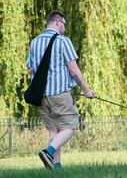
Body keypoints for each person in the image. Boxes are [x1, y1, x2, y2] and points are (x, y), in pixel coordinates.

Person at [25, 10, 94, 170]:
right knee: (70, 127)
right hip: (59, 95)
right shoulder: (63, 41)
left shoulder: (34, 42)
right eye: (64, 24)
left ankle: (56, 167)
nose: (65, 28)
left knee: (53, 129)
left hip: (41, 96)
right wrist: (86, 90)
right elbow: (73, 69)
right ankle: (49, 152)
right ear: (57, 22)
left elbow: (31, 69)